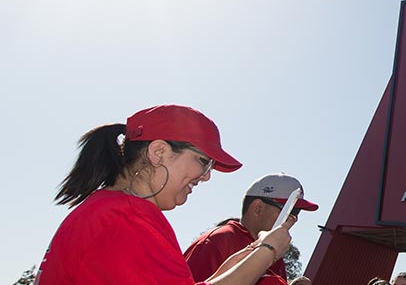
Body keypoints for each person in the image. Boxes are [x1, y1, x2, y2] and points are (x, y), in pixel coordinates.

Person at [36, 105, 294, 285]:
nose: (206, 176)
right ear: (158, 152)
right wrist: (267, 250)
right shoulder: (128, 217)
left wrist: (253, 252)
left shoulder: (110, 208)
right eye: (203, 161)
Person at [186, 173, 320, 285]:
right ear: (258, 208)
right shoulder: (217, 241)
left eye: (297, 214)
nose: (293, 219)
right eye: (291, 211)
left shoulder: (274, 253)